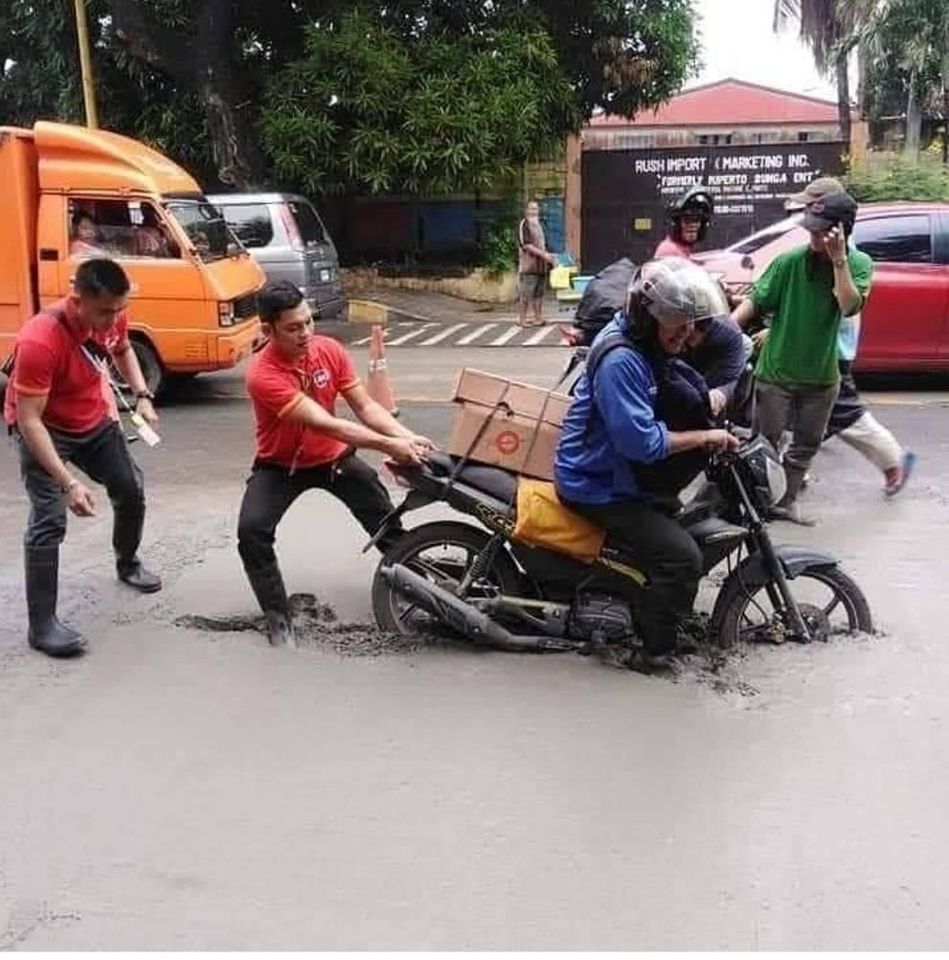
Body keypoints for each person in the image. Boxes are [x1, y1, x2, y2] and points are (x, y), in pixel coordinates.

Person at [555, 258, 739, 670]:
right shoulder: (622, 359)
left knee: (674, 527)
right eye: (677, 323)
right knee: (681, 558)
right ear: (649, 316)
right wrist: (704, 437)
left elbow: (676, 380)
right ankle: (653, 653)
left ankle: (645, 609)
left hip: (614, 468)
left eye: (690, 323)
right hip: (597, 481)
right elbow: (642, 443)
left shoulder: (645, 343)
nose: (686, 333)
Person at [237, 280, 436, 646]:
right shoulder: (262, 375)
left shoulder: (328, 350)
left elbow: (366, 407)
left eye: (308, 322)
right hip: (281, 466)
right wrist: (389, 445)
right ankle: (277, 617)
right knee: (251, 533)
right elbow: (327, 423)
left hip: (334, 460)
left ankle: (428, 589)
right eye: (293, 328)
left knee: (385, 525)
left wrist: (403, 436)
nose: (306, 334)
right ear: (269, 330)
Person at [3, 259, 162, 659]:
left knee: (131, 487)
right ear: (78, 300)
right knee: (49, 519)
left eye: (119, 309)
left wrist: (141, 395)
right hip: (44, 430)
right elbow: (29, 422)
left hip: (92, 419)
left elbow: (123, 349)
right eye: (106, 311)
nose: (114, 318)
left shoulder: (113, 315)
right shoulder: (40, 340)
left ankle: (127, 562)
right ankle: (42, 626)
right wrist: (68, 483)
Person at [732, 188, 873, 525]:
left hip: (821, 377)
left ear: (841, 231)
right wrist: (727, 330)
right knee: (764, 444)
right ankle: (755, 506)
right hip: (777, 372)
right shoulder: (789, 262)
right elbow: (757, 301)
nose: (812, 236)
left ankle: (787, 501)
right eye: (810, 228)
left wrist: (838, 260)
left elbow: (848, 304)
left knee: (805, 446)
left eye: (820, 230)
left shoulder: (859, 264)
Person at [783, 177, 916, 498]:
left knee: (847, 415)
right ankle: (791, 475)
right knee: (803, 417)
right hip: (814, 350)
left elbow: (845, 304)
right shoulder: (817, 247)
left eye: (813, 206)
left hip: (831, 352)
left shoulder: (845, 255)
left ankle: (893, 461)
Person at [516, 199, 556, 328]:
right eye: (531, 209)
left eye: (536, 209)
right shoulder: (524, 224)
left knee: (539, 294)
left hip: (541, 266)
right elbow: (526, 245)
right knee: (526, 293)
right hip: (529, 266)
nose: (534, 211)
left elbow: (544, 244)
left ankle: (538, 317)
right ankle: (522, 319)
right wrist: (543, 254)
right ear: (526, 211)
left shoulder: (539, 224)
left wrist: (549, 255)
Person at [654, 186, 714, 260]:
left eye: (696, 220)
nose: (692, 225)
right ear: (676, 224)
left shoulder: (685, 250)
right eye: (687, 220)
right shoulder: (669, 250)